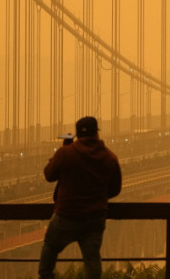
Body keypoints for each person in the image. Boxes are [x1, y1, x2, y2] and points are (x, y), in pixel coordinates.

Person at [38, 116, 122, 279]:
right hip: (95, 218)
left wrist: (62, 150)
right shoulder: (110, 157)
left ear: (76, 134)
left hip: (66, 215)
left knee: (50, 245)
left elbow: (49, 174)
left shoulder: (66, 153)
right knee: (92, 258)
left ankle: (45, 277)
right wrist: (98, 197)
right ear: (97, 134)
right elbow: (115, 189)